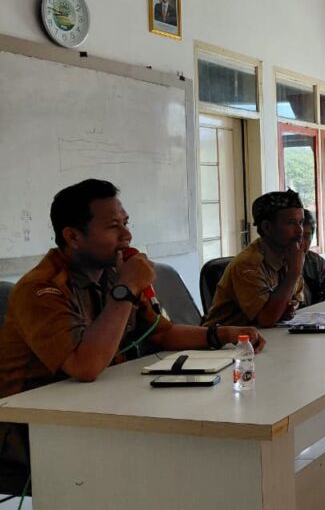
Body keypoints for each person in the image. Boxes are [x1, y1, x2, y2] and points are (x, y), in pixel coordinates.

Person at [0, 179, 264, 495]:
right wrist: (125, 290)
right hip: (32, 429)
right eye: (113, 227)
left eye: (126, 223)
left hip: (102, 406)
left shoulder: (111, 273)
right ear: (73, 236)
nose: (126, 235)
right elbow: (85, 366)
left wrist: (221, 334)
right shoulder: (41, 290)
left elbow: (162, 333)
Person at [204, 190, 306, 327]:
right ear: (267, 227)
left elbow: (296, 299)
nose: (300, 231)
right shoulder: (247, 264)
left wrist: (289, 307)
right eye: (290, 223)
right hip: (227, 339)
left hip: (266, 335)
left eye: (301, 223)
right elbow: (266, 319)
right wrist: (294, 272)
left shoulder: (289, 255)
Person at [299, 209, 325, 306]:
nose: (301, 242)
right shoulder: (275, 264)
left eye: (306, 236)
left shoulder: (317, 263)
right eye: (298, 237)